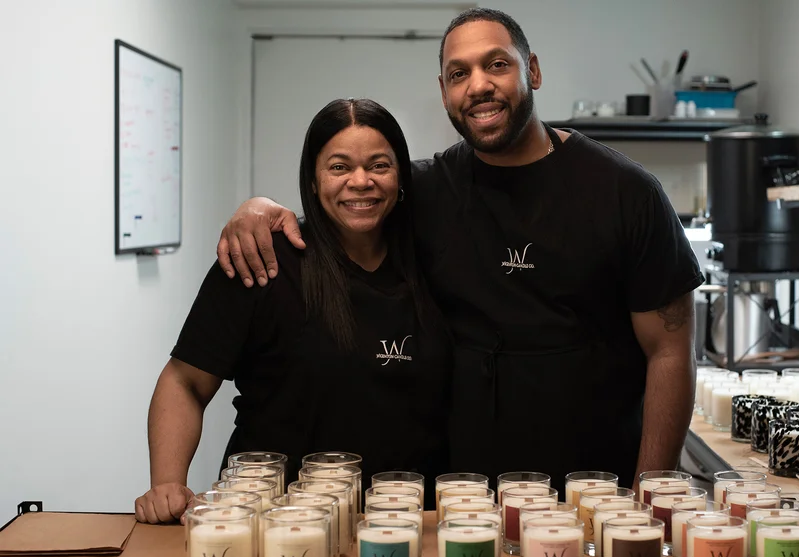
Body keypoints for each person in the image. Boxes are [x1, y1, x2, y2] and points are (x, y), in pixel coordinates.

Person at [217, 8, 703, 494]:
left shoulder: (626, 194)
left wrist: (651, 490)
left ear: (531, 70)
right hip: (462, 492)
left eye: (496, 64)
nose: (478, 85)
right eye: (458, 73)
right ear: (444, 90)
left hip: (594, 486)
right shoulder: (427, 191)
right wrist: (259, 208)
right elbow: (349, 205)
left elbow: (669, 351)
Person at [134, 98, 450, 524]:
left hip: (405, 522)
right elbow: (184, 381)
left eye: (379, 165)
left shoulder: (435, 264)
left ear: (401, 177)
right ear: (314, 180)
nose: (361, 181)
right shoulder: (262, 261)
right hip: (274, 522)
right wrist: (167, 483)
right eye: (339, 167)